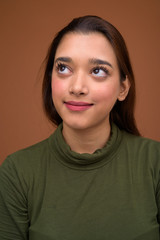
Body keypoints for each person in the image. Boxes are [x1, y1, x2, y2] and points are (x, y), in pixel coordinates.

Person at [0, 15, 160, 240]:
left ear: (123, 88)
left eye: (98, 71)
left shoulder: (155, 163)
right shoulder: (17, 173)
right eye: (64, 68)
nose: (77, 87)